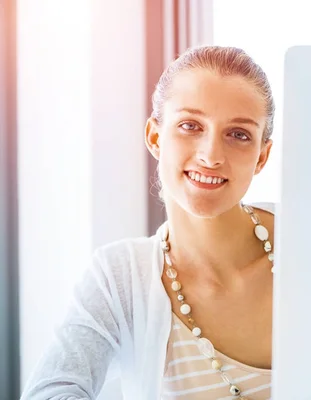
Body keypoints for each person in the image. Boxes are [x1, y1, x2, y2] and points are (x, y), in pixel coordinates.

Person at [21, 46, 276, 400]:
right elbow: (49, 392)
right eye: (190, 125)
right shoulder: (120, 277)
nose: (211, 155)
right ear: (155, 137)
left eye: (238, 134)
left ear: (262, 156)